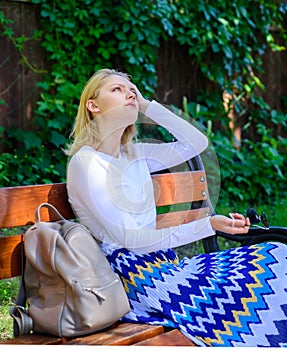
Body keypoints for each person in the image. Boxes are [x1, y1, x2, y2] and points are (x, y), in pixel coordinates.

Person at [66, 68, 287, 347]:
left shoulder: (136, 155)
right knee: (252, 288)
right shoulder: (85, 163)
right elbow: (129, 240)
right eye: (117, 89)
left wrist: (146, 106)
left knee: (277, 255)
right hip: (132, 275)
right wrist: (207, 225)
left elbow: (197, 143)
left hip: (163, 263)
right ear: (93, 106)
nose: (129, 93)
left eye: (131, 89)